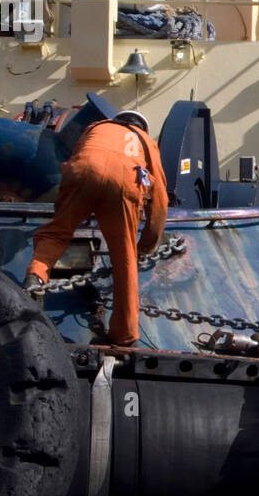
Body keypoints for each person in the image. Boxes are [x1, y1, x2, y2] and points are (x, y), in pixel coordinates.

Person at [24, 110, 167, 347]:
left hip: (82, 172)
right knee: (124, 258)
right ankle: (125, 334)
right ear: (141, 126)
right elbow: (159, 196)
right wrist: (147, 244)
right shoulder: (146, 141)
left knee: (57, 231)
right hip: (123, 184)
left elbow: (83, 156)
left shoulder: (96, 127)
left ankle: (36, 276)